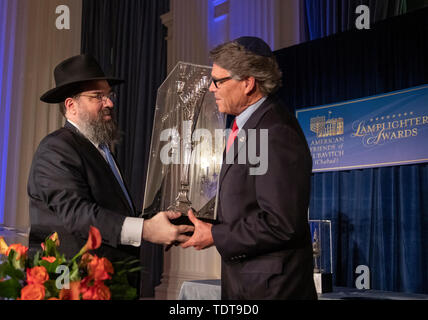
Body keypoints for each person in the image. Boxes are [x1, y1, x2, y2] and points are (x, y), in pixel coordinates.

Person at [181, 37, 317, 300]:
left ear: (247, 83)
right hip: (250, 284)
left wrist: (215, 235)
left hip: (272, 291)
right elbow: (246, 206)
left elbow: (280, 223)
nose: (211, 88)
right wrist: (196, 223)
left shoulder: (274, 131)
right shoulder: (253, 126)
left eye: (218, 81)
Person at [28, 54, 194, 266]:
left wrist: (160, 223)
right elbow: (78, 214)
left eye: (109, 95)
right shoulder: (55, 149)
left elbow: (112, 213)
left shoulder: (102, 149)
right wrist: (146, 230)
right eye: (97, 96)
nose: (109, 103)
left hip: (113, 281)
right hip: (74, 283)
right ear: (71, 106)